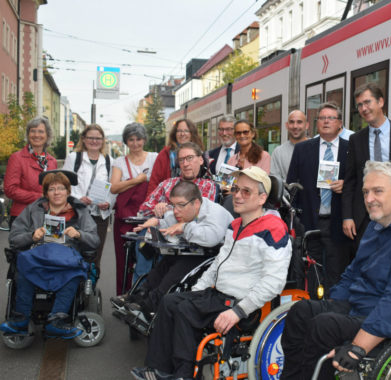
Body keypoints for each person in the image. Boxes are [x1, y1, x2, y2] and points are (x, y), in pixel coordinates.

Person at [280, 161, 391, 380]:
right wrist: (332, 304)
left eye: (378, 191)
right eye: (366, 192)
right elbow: (353, 272)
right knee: (301, 312)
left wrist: (357, 348)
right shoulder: (376, 225)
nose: (369, 199)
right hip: (366, 306)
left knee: (325, 326)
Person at [131, 167, 292, 380]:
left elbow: (274, 282)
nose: (237, 195)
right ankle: (159, 369)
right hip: (218, 296)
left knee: (185, 309)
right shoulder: (235, 225)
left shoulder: (274, 229)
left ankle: (184, 375)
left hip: (242, 304)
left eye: (246, 191)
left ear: (262, 198)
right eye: (236, 189)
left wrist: (238, 311)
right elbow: (217, 264)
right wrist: (196, 291)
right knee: (171, 301)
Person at [111, 180, 233, 318]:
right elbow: (170, 222)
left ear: (196, 203)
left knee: (179, 267)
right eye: (173, 205)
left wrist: (184, 227)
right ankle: (138, 295)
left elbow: (211, 238)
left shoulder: (216, 213)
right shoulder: (186, 208)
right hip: (195, 250)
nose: (176, 211)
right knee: (165, 262)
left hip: (214, 255)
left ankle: (151, 304)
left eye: (180, 205)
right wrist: (157, 223)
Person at [0, 171, 100, 339]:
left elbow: (95, 241)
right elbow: (14, 239)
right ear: (45, 193)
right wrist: (32, 236)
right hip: (39, 254)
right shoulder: (33, 209)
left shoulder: (80, 212)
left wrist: (79, 235)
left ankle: (57, 319)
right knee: (23, 262)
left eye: (61, 188)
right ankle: (21, 317)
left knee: (76, 269)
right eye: (52, 189)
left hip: (67, 256)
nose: (57, 192)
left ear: (68, 191)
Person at [342, 83, 391, 248]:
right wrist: (347, 216)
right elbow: (350, 181)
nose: (364, 108)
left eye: (367, 102)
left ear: (381, 102)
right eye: (360, 105)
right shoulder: (356, 139)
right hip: (364, 217)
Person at [287, 102, 350, 294]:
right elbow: (292, 185)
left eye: (331, 118)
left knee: (337, 268)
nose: (326, 122)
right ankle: (312, 304)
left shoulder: (351, 148)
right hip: (309, 221)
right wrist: (297, 219)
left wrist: (345, 185)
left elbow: (359, 181)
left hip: (339, 220)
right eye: (322, 118)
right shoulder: (303, 149)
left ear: (340, 123)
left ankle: (334, 305)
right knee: (311, 269)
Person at [110, 123, 158, 295]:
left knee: (147, 256)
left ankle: (143, 294)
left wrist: (127, 183)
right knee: (123, 259)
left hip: (149, 217)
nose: (135, 143)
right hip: (124, 218)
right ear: (126, 141)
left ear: (144, 140)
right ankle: (122, 294)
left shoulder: (154, 157)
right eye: (131, 139)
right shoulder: (119, 162)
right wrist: (137, 180)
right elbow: (114, 187)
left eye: (138, 139)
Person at [62, 124, 115, 270]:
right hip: (76, 214)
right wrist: (78, 198)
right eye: (90, 137)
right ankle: (74, 289)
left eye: (98, 138)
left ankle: (89, 289)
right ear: (84, 139)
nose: (94, 141)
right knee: (73, 253)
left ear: (103, 140)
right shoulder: (74, 158)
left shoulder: (109, 161)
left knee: (94, 257)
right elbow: (64, 184)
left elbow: (113, 189)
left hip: (99, 218)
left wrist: (108, 204)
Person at [4, 117, 57, 225]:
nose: (36, 135)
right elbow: (10, 189)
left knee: (49, 243)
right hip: (23, 217)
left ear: (47, 135)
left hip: (48, 216)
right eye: (33, 131)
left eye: (41, 131)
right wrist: (39, 197)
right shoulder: (17, 158)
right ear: (28, 134)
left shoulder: (52, 161)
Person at [147, 119, 204, 197]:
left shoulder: (201, 154)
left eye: (186, 131)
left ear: (192, 134)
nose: (182, 134)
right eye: (179, 131)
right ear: (175, 134)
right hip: (167, 199)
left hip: (194, 198)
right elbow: (154, 181)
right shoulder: (165, 154)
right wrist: (151, 202)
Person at [270, 110, 309, 181]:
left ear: (306, 125)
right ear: (287, 125)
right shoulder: (278, 152)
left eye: (299, 122)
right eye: (292, 122)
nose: (295, 126)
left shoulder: (316, 148)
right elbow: (275, 181)